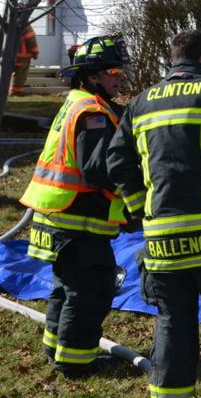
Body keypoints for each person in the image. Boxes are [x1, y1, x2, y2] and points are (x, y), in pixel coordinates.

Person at [106, 30, 201, 398]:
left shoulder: (140, 103)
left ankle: (170, 394)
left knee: (173, 320)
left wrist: (140, 209)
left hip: (162, 242)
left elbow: (117, 162)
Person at [18, 34, 129, 378]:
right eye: (112, 70)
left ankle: (57, 348)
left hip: (57, 217)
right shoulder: (93, 112)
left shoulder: (77, 101)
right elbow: (98, 171)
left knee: (66, 290)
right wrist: (135, 181)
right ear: (92, 75)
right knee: (91, 291)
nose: (119, 76)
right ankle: (76, 362)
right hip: (78, 222)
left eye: (120, 69)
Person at [11, 11, 40, 96]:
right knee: (20, 74)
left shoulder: (10, 24)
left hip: (11, 54)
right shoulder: (25, 26)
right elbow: (31, 40)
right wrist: (35, 52)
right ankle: (16, 92)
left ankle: (11, 90)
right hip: (22, 56)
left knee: (11, 73)